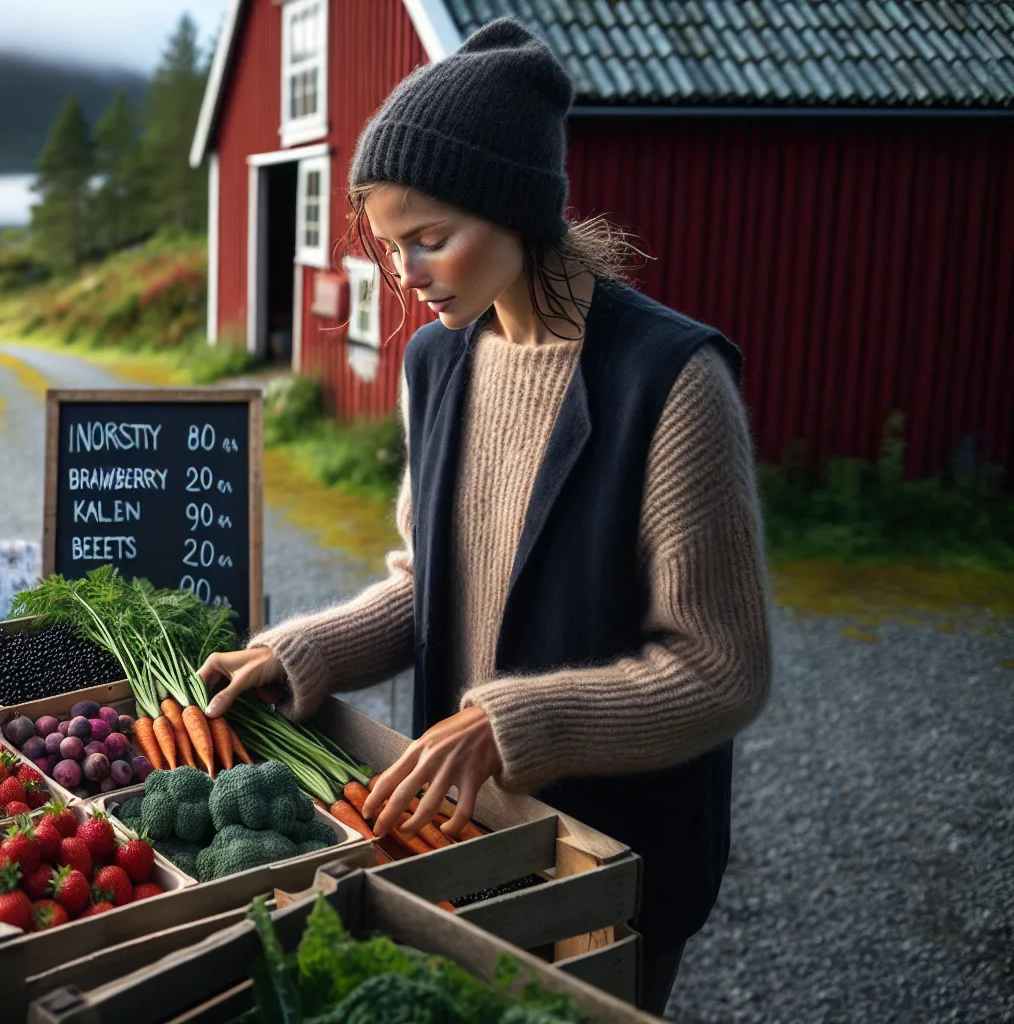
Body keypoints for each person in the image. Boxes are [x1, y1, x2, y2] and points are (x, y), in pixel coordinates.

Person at [198, 17, 771, 1017]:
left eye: (431, 239)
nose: (406, 275)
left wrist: (513, 722)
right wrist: (307, 652)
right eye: (391, 246)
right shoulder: (436, 363)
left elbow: (719, 669)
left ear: (516, 212)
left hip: (616, 857)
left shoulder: (670, 382)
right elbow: (427, 580)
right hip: (457, 840)